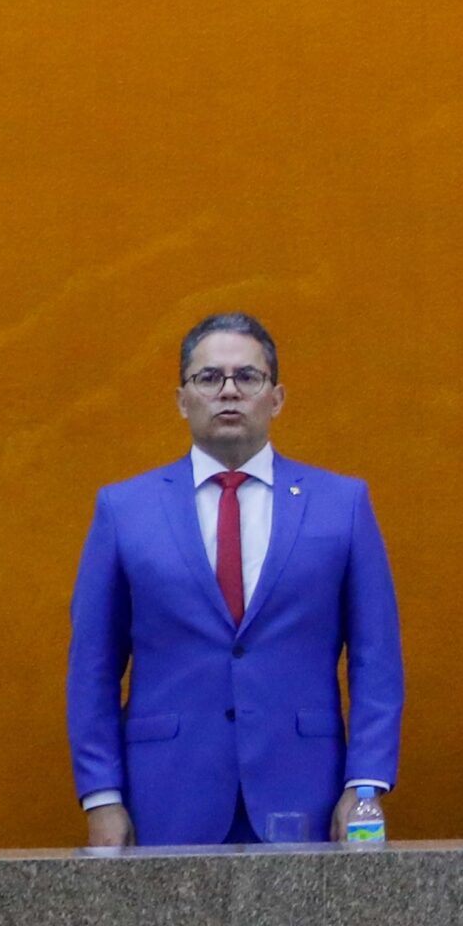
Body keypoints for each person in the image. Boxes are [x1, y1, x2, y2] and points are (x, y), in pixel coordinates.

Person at [66, 313, 405, 845]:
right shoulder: (124, 509)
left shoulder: (342, 505)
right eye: (209, 378)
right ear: (181, 399)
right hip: (165, 794)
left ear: (276, 398)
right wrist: (102, 796)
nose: (229, 392)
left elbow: (376, 657)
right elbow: (92, 666)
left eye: (248, 377)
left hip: (307, 794)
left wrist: (364, 785)